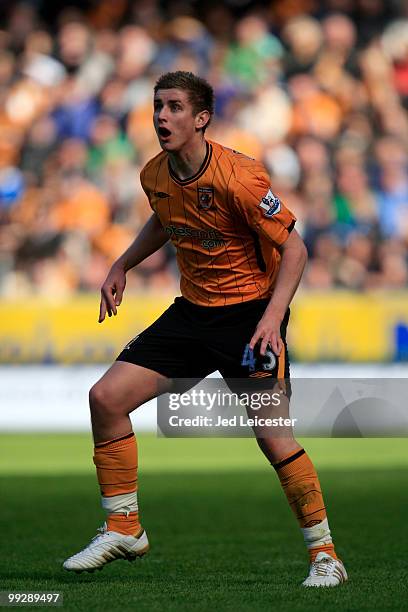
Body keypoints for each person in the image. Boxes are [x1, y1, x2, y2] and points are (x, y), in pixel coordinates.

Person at [63, 71, 347, 587]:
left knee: (272, 436)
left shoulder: (240, 176)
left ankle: (325, 556)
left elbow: (296, 248)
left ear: (201, 119)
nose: (161, 117)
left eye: (173, 107)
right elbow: (164, 218)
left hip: (249, 318)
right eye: (157, 107)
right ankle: (124, 525)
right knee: (105, 398)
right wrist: (121, 264)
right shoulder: (155, 175)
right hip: (193, 314)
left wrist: (270, 320)